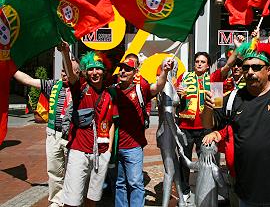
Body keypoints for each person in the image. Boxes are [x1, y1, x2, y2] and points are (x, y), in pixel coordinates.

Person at [201, 38, 270, 206]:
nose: (250, 72)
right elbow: (208, 124)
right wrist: (209, 107)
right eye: (246, 67)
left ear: (268, 70)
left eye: (256, 67)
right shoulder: (234, 97)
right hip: (247, 193)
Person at [176, 48, 241, 202]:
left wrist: (238, 48)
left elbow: (228, 66)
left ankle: (205, 190)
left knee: (207, 162)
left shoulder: (214, 78)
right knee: (183, 159)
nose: (199, 64)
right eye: (197, 61)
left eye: (202, 62)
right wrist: (178, 93)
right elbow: (173, 98)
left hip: (206, 129)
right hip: (185, 126)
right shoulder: (184, 77)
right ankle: (184, 190)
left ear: (208, 66)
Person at [13, 60, 80, 207]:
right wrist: (9, 68)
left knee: (74, 171)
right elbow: (28, 80)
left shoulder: (80, 88)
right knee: (54, 170)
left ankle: (72, 199)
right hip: (53, 135)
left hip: (72, 136)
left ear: (77, 73)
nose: (64, 73)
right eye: (63, 70)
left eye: (68, 70)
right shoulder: (53, 85)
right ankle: (57, 200)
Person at [60, 42, 116, 207]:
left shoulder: (109, 95)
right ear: (86, 71)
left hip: (102, 153)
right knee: (72, 199)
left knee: (93, 198)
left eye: (98, 68)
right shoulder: (81, 87)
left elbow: (111, 123)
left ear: (104, 71)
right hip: (79, 151)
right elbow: (70, 73)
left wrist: (109, 150)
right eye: (90, 68)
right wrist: (65, 52)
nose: (94, 72)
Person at [113, 56, 173, 207]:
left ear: (135, 72)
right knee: (120, 183)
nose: (123, 71)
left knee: (135, 183)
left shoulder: (140, 88)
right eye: (122, 68)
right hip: (115, 146)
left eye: (128, 69)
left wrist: (164, 70)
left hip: (133, 146)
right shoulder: (113, 90)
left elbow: (157, 86)